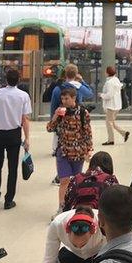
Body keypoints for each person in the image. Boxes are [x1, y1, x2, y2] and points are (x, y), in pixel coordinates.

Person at [0, 68, 32, 209]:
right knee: (13, 168)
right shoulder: (23, 96)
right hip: (14, 134)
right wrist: (27, 138)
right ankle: (9, 199)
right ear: (19, 80)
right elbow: (25, 119)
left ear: (5, 79)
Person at [47, 87, 93, 216]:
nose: (64, 101)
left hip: (78, 152)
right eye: (62, 98)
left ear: (74, 98)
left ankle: (75, 205)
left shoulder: (83, 113)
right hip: (63, 152)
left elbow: (87, 133)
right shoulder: (61, 113)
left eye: (66, 98)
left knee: (77, 180)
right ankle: (62, 207)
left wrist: (89, 149)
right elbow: (50, 129)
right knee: (64, 180)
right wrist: (55, 116)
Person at [100, 66, 127, 146]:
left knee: (109, 123)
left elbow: (109, 95)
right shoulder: (116, 80)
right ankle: (124, 133)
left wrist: (101, 95)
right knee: (112, 122)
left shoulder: (109, 82)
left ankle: (111, 140)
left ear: (107, 73)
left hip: (111, 106)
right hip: (117, 105)